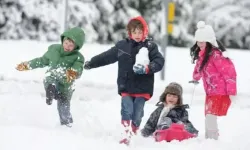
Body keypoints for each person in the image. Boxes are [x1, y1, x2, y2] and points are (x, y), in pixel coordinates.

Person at [83, 16, 164, 145]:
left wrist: (148, 68)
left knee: (137, 112)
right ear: (130, 32)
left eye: (140, 32)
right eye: (134, 32)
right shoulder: (122, 46)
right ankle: (126, 133)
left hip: (143, 87)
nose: (137, 35)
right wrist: (91, 63)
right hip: (126, 85)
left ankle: (134, 130)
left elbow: (159, 61)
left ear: (145, 32)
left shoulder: (150, 46)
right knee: (126, 109)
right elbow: (106, 57)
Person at [16, 27, 85, 128]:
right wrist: (27, 65)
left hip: (66, 85)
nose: (67, 46)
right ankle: (51, 90)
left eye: (71, 45)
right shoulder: (54, 50)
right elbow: (41, 61)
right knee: (50, 75)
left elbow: (78, 68)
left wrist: (73, 73)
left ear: (76, 47)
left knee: (63, 109)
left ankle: (67, 125)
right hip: (53, 78)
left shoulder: (78, 57)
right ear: (63, 40)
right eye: (66, 43)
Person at [189, 21, 237, 140]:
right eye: (198, 41)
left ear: (209, 41)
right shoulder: (203, 55)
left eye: (202, 41)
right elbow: (199, 68)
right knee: (208, 115)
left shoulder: (216, 55)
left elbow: (229, 73)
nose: (199, 43)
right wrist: (195, 77)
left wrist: (231, 91)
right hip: (210, 92)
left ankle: (213, 141)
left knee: (210, 116)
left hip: (220, 92)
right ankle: (209, 140)